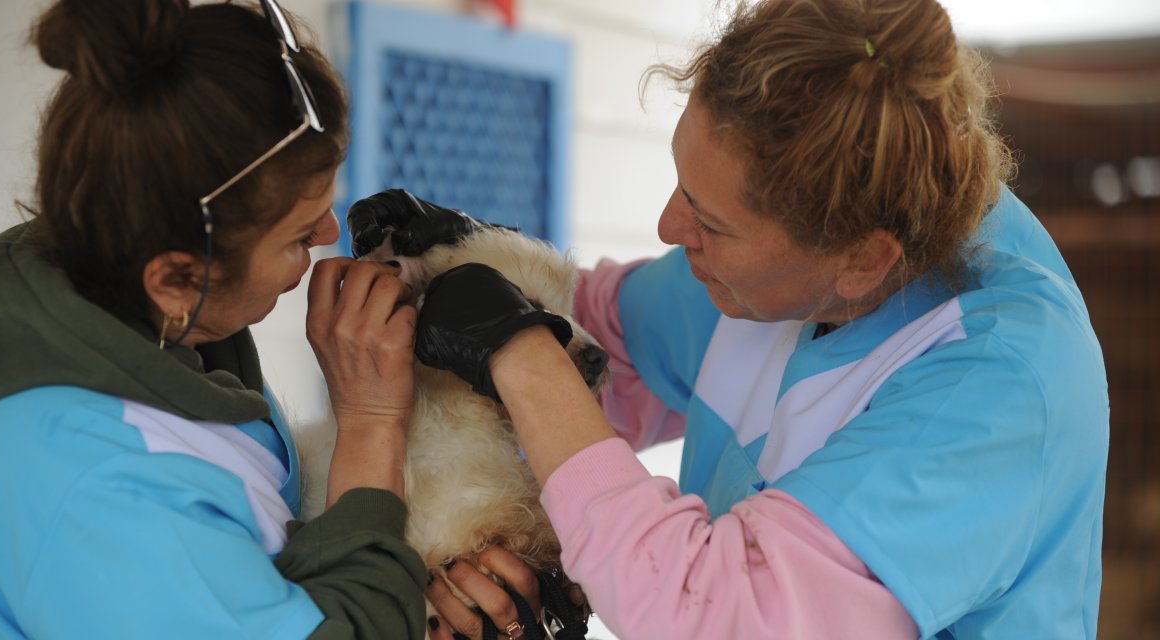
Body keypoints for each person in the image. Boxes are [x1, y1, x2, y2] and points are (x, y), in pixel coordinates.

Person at [345, 0, 1110, 637]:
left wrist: (520, 350)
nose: (668, 227)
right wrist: (482, 262)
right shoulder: (783, 267)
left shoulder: (996, 389)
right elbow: (606, 354)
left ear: (861, 260)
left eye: (710, 221)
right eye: (684, 186)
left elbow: (717, 612)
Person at [0, 0, 426, 637]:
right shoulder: (99, 486)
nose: (330, 234)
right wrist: (371, 422)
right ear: (174, 278)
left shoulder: (147, 335)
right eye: (298, 234)